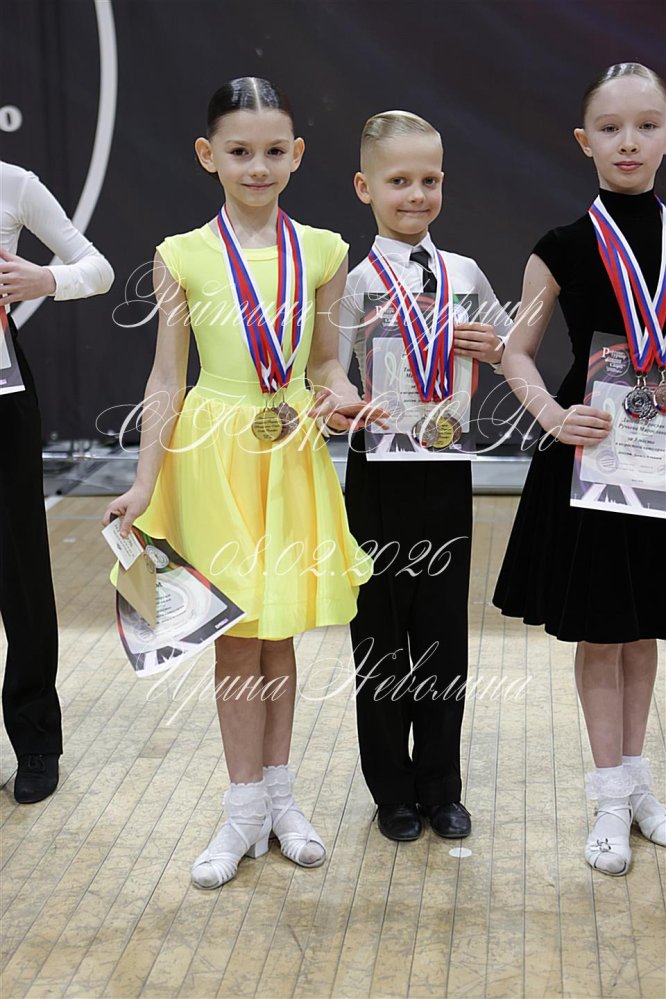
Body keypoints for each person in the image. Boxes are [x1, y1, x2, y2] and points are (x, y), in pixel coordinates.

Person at [103, 78, 376, 889]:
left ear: (297, 154)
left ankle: (282, 799)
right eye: (239, 151)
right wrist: (144, 481)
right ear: (208, 155)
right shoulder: (182, 254)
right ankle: (242, 805)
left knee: (277, 629)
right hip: (214, 456)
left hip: (289, 450)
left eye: (273, 151)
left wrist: (341, 396)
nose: (258, 166)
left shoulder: (324, 250)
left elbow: (325, 362)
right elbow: (166, 378)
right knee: (234, 635)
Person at [493, 63, 666, 875]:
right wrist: (553, 417)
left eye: (647, 125)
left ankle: (639, 783)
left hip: (661, 456)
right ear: (583, 140)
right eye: (610, 127)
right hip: (592, 453)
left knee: (645, 623)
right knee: (603, 626)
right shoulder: (560, 246)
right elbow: (516, 353)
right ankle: (607, 797)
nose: (629, 141)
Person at [339, 111, 512, 842]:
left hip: (444, 466)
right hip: (377, 470)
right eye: (399, 181)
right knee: (380, 632)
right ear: (365, 188)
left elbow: (508, 346)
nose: (416, 194)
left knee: (442, 631)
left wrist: (493, 344)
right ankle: (392, 791)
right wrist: (343, 404)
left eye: (430, 180)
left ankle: (442, 785)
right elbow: (326, 375)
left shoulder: (464, 273)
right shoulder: (353, 282)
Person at [0, 161, 114, 804]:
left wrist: (45, 279)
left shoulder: (13, 183)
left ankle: (36, 740)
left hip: (2, 394)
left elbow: (97, 268)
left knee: (19, 573)